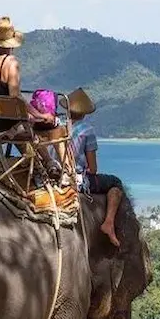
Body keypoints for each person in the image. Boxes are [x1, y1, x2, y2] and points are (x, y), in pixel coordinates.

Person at [0, 16, 65, 177]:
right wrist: (39, 115)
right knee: (38, 127)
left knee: (23, 123)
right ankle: (48, 164)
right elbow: (15, 97)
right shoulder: (11, 63)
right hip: (5, 124)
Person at [68, 88, 123, 247]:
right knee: (115, 183)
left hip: (53, 176)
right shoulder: (87, 131)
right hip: (76, 180)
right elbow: (93, 169)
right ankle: (109, 223)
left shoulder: (59, 127)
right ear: (84, 113)